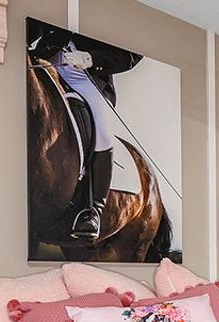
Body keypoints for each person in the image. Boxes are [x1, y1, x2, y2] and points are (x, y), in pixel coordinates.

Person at [28, 23, 143, 240]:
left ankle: (93, 210)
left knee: (103, 133)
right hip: (44, 65)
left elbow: (132, 54)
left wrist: (90, 58)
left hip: (84, 75)